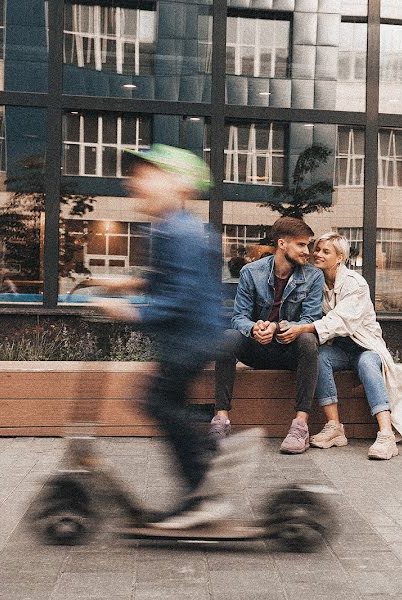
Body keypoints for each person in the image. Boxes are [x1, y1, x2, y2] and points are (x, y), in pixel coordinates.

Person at [95, 143, 233, 529]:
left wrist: (133, 309)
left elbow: (181, 296)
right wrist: (126, 283)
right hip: (190, 337)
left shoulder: (181, 232)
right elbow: (165, 280)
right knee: (164, 403)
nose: (134, 183)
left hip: (193, 339)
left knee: (156, 402)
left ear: (179, 186)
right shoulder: (169, 227)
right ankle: (203, 461)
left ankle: (202, 487)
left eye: (147, 175)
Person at [288, 232, 402, 459]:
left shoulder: (356, 284)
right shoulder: (317, 282)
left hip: (365, 346)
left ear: (340, 257)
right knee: (320, 357)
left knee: (366, 363)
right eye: (317, 250)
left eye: (326, 251)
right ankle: (335, 427)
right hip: (340, 349)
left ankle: (385, 434)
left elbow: (341, 321)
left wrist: (302, 329)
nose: (318, 254)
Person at [211, 217, 324, 454]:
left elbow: (310, 320)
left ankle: (300, 426)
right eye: (302, 245)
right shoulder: (251, 273)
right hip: (257, 348)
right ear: (282, 244)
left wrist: (280, 327)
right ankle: (221, 420)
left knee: (308, 339)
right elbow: (239, 316)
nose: (308, 252)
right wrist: (254, 328)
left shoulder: (313, 276)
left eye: (308, 245)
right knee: (227, 337)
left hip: (289, 349)